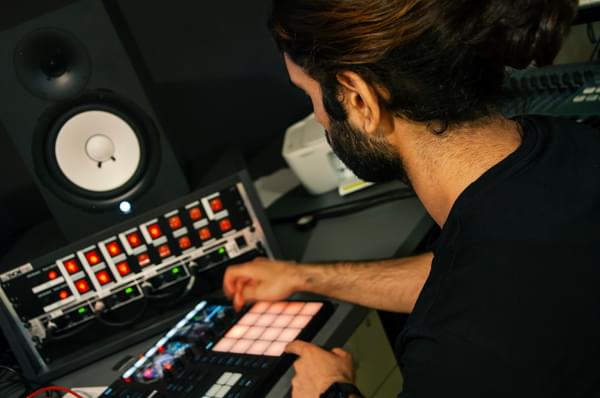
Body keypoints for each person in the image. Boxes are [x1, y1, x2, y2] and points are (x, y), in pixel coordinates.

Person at [224, 0, 600, 397]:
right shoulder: (568, 145)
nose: (318, 118)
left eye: (311, 96)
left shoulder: (455, 357)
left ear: (359, 100)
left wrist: (331, 390)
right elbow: (481, 279)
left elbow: (474, 299)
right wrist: (303, 277)